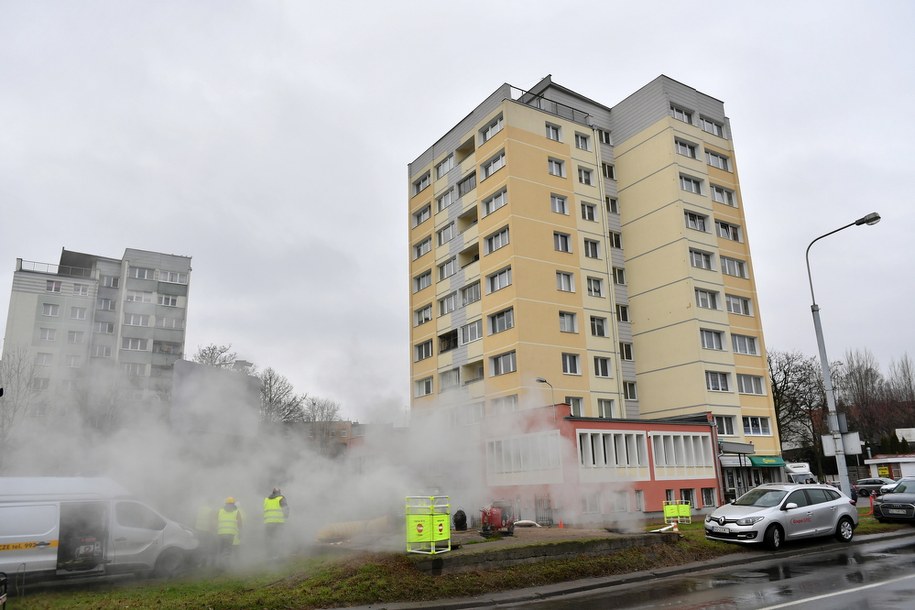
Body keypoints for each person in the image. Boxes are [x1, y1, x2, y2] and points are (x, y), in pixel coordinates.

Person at [263, 487, 289, 556]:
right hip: (278, 522)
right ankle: (277, 555)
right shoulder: (281, 498)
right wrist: (286, 516)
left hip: (268, 523)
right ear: (279, 492)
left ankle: (269, 555)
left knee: (269, 539)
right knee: (278, 538)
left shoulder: (266, 499)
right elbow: (285, 509)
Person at [216, 497, 243, 565]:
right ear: (234, 504)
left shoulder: (220, 511)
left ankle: (220, 564)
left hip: (221, 534)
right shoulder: (236, 512)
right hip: (230, 534)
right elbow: (240, 524)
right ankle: (226, 564)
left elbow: (214, 521)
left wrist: (215, 530)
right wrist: (240, 532)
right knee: (228, 549)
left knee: (221, 549)